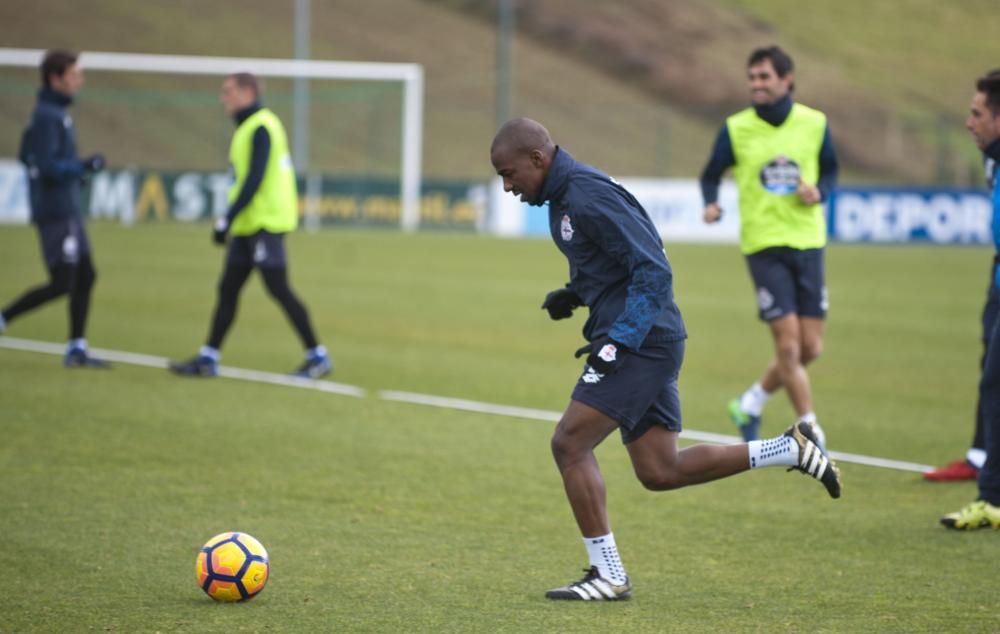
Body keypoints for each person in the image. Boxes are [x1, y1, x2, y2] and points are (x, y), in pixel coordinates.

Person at [490, 117, 841, 600]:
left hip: (642, 341)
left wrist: (621, 341)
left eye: (509, 174)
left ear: (537, 159)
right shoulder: (564, 196)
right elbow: (611, 262)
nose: (508, 187)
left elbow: (653, 268)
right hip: (645, 337)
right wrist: (573, 294)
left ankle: (608, 575)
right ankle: (788, 450)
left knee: (569, 443)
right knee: (659, 470)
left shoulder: (587, 195)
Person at [700, 45, 838, 444]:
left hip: (809, 242)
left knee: (811, 347)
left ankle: (750, 403)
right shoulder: (735, 128)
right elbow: (710, 174)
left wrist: (820, 192)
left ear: (787, 80)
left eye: (764, 77)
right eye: (752, 78)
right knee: (789, 346)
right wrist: (710, 203)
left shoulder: (815, 123)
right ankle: (810, 428)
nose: (756, 85)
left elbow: (830, 170)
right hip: (763, 247)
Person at [168, 72, 331, 379]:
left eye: (228, 91)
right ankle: (209, 356)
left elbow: (255, 179)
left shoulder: (261, 127)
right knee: (227, 289)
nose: (224, 98)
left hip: (265, 224)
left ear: (248, 93)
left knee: (278, 288)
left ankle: (318, 356)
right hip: (248, 225)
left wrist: (225, 218)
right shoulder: (248, 127)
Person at [0, 49, 109, 367]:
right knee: (64, 281)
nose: (80, 81)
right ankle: (4, 317)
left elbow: (26, 152)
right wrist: (82, 167)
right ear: (55, 78)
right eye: (73, 75)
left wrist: (75, 178)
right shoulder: (47, 115)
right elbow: (44, 165)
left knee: (86, 275)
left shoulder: (56, 112)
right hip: (57, 211)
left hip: (68, 207)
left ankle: (76, 347)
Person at [924, 69, 1000, 483]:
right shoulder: (991, 156)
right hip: (997, 271)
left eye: (977, 113)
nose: (968, 123)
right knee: (992, 369)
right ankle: (980, 462)